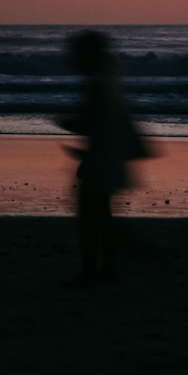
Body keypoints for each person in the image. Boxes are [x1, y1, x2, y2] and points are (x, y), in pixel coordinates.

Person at [56, 30, 148, 286]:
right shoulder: (110, 80)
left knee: (89, 217)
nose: (72, 59)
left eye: (75, 54)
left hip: (100, 160)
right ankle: (109, 268)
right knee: (102, 215)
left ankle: (92, 272)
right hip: (109, 157)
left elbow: (90, 123)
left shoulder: (97, 84)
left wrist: (65, 122)